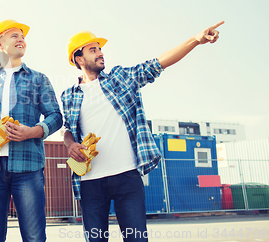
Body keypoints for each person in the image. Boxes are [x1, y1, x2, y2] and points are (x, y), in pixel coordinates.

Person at [62, 22, 224, 242]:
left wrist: (195, 40)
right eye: (93, 50)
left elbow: (158, 64)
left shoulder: (121, 79)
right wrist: (70, 144)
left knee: (136, 239)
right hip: (91, 182)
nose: (100, 53)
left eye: (100, 49)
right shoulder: (69, 95)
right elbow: (68, 129)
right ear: (78, 59)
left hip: (127, 176)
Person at [0, 19, 63, 242]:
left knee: (34, 237)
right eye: (14, 36)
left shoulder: (39, 79)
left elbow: (55, 116)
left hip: (27, 168)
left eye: (23, 36)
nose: (21, 39)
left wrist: (34, 131)